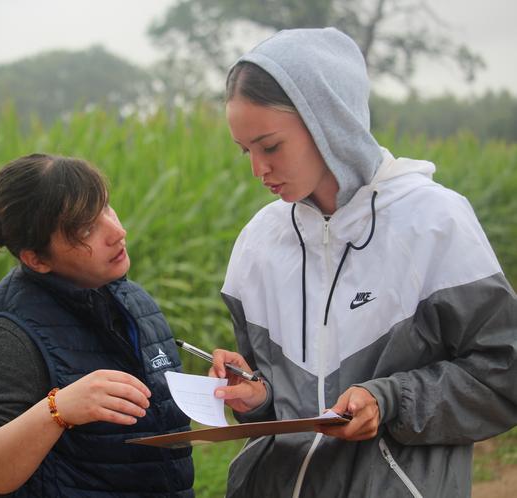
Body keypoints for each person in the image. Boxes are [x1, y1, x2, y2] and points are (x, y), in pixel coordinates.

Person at [210, 27, 517, 497]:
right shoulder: (258, 244)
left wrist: (389, 400)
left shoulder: (434, 223)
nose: (257, 169)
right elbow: (275, 409)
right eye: (245, 151)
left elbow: (503, 373)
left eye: (270, 146)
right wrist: (256, 397)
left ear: (327, 122)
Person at [0, 153, 194, 497]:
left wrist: (225, 391)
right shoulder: (6, 337)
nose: (117, 231)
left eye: (106, 208)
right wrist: (57, 410)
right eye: (86, 228)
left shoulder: (133, 301)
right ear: (37, 259)